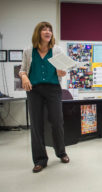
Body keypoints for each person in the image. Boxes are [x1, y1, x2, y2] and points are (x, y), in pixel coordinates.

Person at [19, 21, 69, 173]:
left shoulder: (57, 50)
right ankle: (40, 159)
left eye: (50, 30)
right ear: (38, 33)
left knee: (56, 121)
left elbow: (62, 70)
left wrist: (62, 72)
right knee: (36, 124)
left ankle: (61, 152)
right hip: (34, 90)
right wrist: (24, 77)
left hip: (53, 89)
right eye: (44, 30)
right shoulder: (28, 51)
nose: (48, 32)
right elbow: (22, 70)